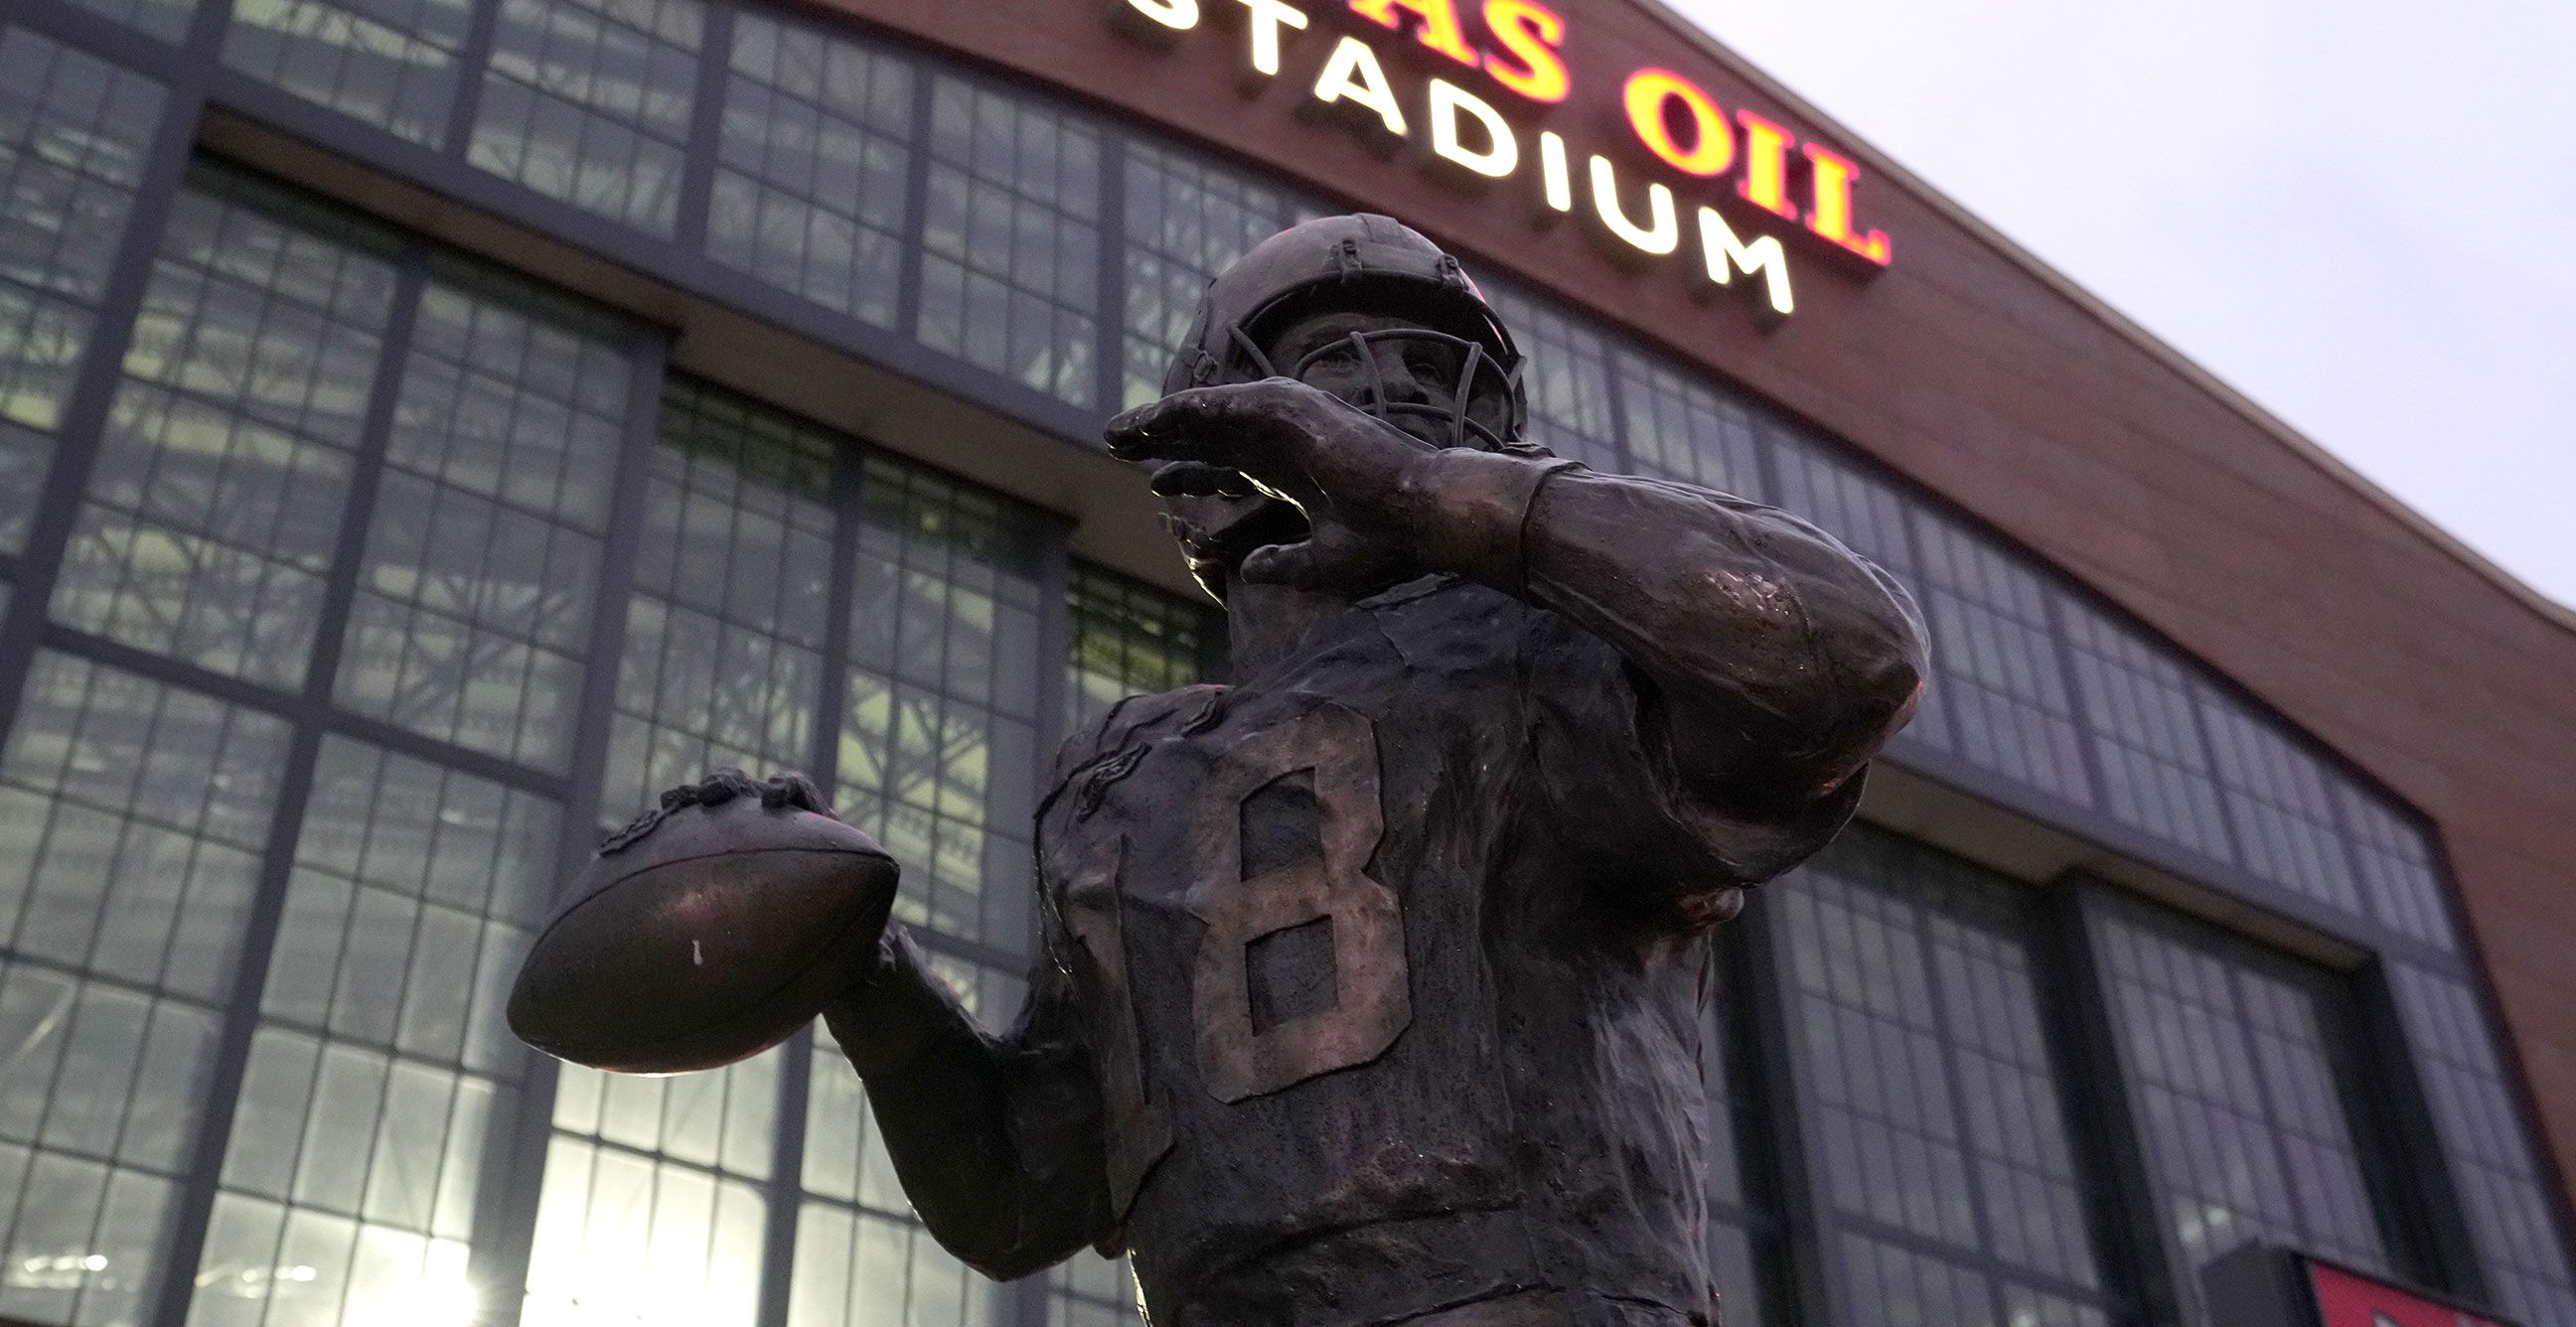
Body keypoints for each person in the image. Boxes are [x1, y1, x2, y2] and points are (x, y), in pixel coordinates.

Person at [822, 214, 1926, 1327]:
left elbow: (1847, 657)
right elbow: (1024, 1191)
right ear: (1221, 433)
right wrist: (860, 966)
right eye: (1344, 360)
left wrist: (1429, 495)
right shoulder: (1120, 775)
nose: (1398, 391)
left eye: (1431, 368)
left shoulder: (1546, 653)